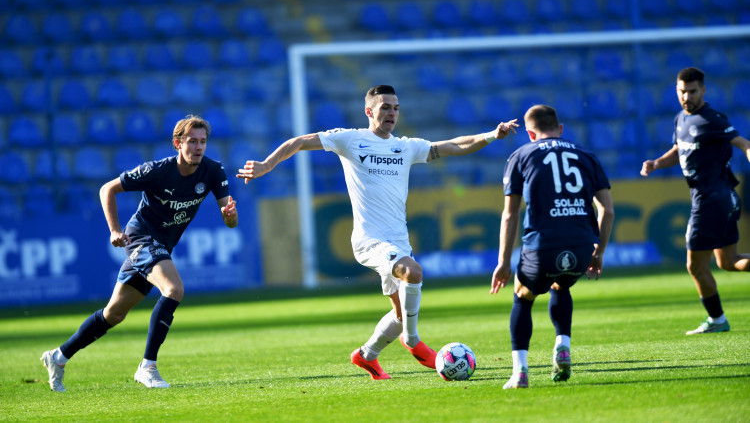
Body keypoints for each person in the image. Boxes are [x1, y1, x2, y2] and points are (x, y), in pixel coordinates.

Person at [237, 85, 518, 380]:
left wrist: (491, 135)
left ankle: (366, 356)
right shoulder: (350, 140)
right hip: (369, 241)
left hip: (398, 240)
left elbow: (453, 146)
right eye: (385, 107)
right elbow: (299, 142)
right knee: (414, 272)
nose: (392, 113)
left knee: (399, 314)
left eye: (396, 108)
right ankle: (413, 340)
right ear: (369, 111)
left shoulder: (406, 146)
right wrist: (267, 164)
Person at [41, 115, 238, 392]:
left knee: (114, 313)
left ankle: (58, 357)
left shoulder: (213, 171)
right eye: (192, 141)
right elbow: (107, 189)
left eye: (202, 142)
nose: (198, 147)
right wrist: (114, 230)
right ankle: (148, 367)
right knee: (174, 289)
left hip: (161, 245)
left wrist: (230, 215)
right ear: (177, 143)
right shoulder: (156, 171)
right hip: (141, 238)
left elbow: (230, 221)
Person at [491, 104, 614, 389]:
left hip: (541, 246)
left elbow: (510, 213)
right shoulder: (586, 155)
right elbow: (607, 210)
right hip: (582, 245)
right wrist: (599, 252)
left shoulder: (521, 155)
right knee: (561, 285)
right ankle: (563, 345)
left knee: (523, 296)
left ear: (531, 134)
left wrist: (503, 262)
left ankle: (520, 372)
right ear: (560, 129)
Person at [641, 67, 750, 335]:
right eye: (682, 91)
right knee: (728, 261)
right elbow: (680, 150)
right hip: (720, 199)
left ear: (703, 90)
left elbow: (743, 143)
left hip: (712, 200)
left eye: (692, 91)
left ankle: (717, 320)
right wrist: (656, 163)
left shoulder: (711, 119)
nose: (686, 96)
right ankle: (717, 320)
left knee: (694, 265)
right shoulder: (681, 119)